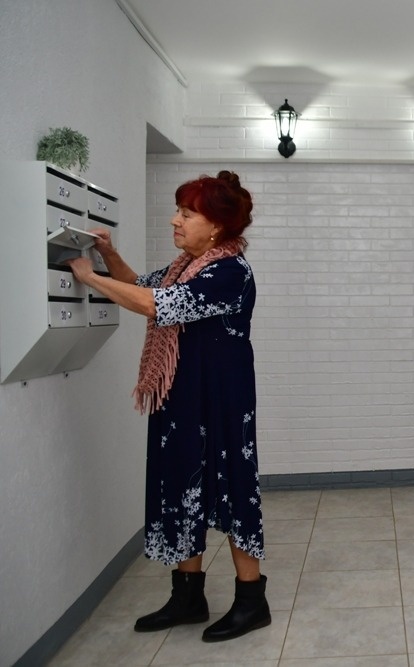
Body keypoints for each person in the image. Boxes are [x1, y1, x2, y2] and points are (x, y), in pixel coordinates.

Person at [65, 171, 268, 642]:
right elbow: (139, 285)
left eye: (187, 213)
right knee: (180, 482)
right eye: (178, 211)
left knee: (232, 488)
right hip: (181, 396)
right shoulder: (186, 267)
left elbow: (156, 305)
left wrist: (88, 277)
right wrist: (108, 254)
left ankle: (251, 601)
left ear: (216, 226)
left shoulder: (229, 272)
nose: (175, 220)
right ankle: (188, 598)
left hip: (221, 400)